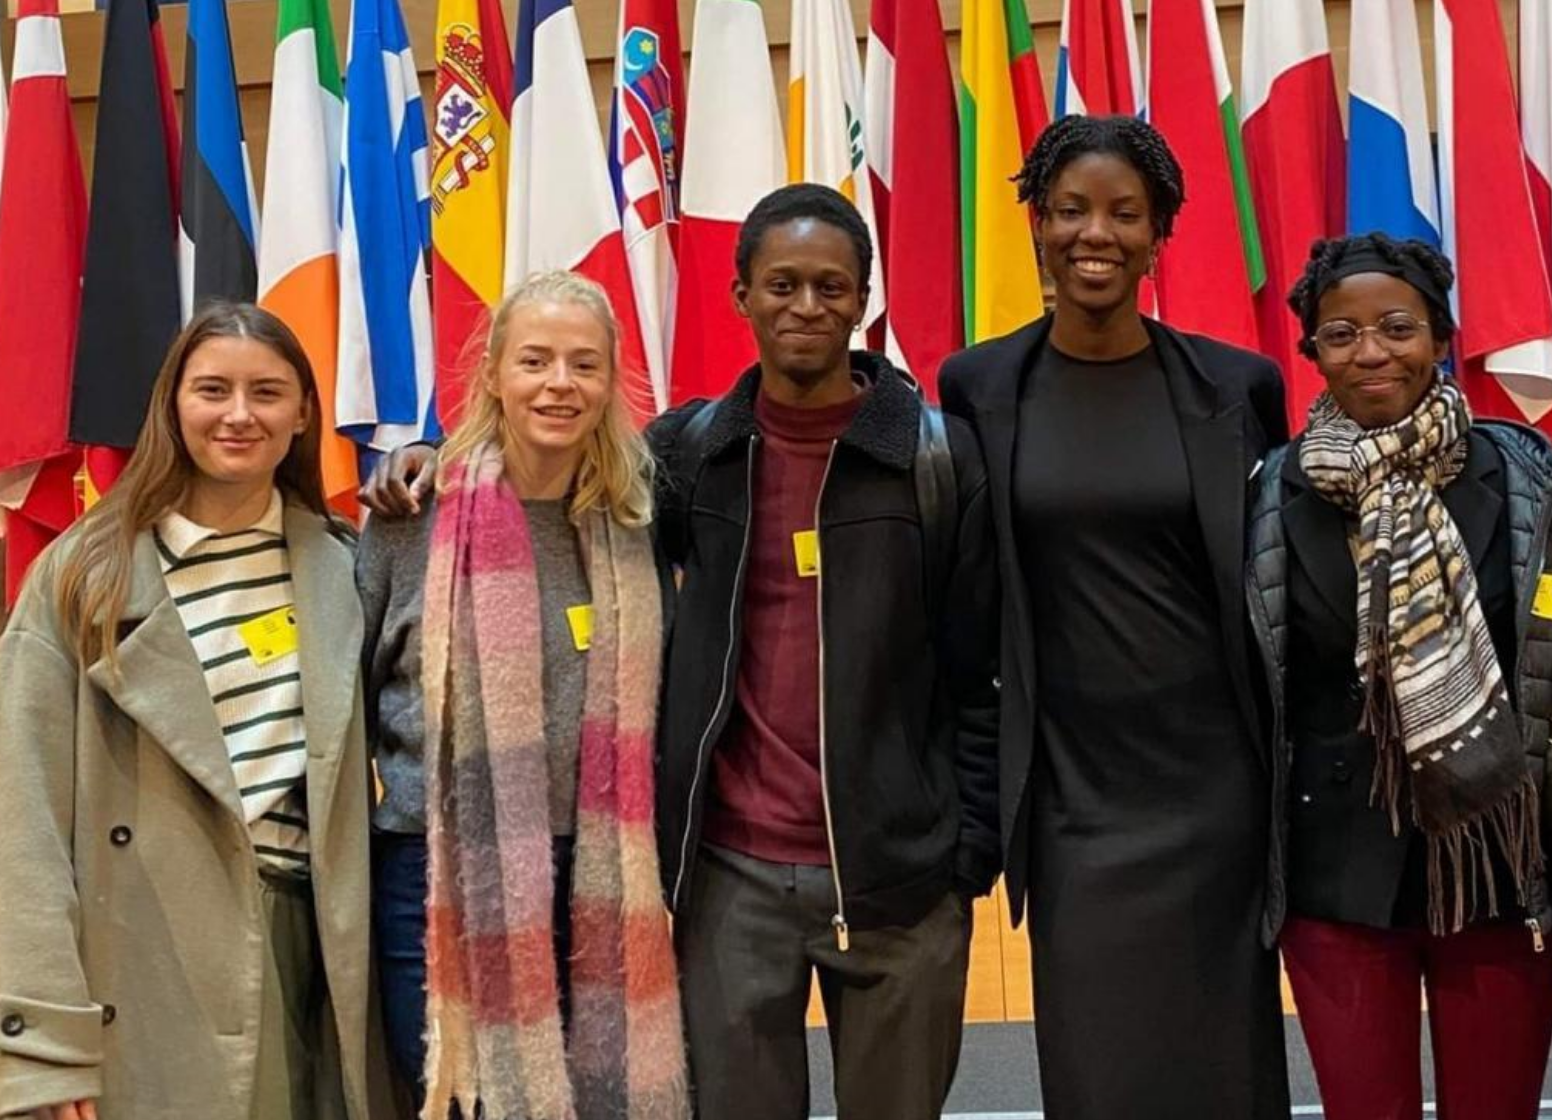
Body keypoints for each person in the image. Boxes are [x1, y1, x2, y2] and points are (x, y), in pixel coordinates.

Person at [362, 185, 1001, 1120]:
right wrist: (430, 454)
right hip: (732, 876)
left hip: (900, 879)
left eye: (831, 286)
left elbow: (981, 671)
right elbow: (541, 476)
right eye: (782, 284)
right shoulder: (691, 455)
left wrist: (964, 857)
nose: (806, 306)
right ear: (741, 296)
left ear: (864, 301)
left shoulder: (938, 462)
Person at [938, 113, 1292, 1118]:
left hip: (1215, 789)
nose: (1095, 233)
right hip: (1070, 793)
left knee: (1226, 1071)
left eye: (1124, 213)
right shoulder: (978, 386)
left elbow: (1273, 565)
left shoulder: (1238, 386)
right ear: (1037, 224)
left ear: (1158, 233)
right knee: (1096, 1073)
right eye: (1070, 210)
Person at [0, 303, 383, 1120]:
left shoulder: (348, 565)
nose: (239, 414)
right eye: (213, 390)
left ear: (304, 413)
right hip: (141, 960)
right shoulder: (84, 575)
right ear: (172, 405)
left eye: (266, 392)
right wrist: (42, 1046)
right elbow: (20, 816)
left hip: (319, 957)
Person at [358, 270, 689, 1120]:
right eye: (535, 361)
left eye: (584, 364)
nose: (559, 384)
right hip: (440, 873)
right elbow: (347, 702)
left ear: (611, 381)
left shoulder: (635, 520)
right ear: (494, 373)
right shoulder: (412, 516)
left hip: (599, 873)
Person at [1246, 232, 1552, 1120]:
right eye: (1341, 334)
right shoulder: (1268, 493)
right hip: (1335, 872)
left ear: (1441, 339)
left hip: (1500, 860)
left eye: (1397, 327)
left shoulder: (1525, 478)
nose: (1371, 351)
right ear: (1312, 352)